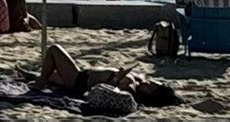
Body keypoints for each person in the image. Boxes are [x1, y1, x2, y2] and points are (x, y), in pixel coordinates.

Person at [16, 44, 184, 107]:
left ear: (149, 95)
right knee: (53, 76)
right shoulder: (141, 81)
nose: (150, 83)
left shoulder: (131, 89)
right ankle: (33, 77)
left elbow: (111, 93)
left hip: (80, 81)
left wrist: (117, 79)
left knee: (54, 50)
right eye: (153, 83)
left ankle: (39, 83)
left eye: (151, 87)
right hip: (85, 74)